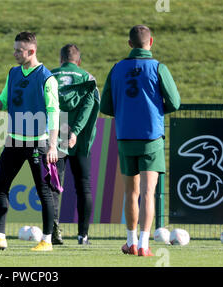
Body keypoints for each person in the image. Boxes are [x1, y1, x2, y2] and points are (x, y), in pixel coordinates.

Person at [0, 31, 60, 252]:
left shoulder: (46, 78)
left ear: (31, 51)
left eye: (18, 50)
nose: (14, 54)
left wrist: (52, 145)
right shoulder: (13, 73)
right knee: (1, 186)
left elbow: (54, 114)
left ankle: (47, 241)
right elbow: (2, 103)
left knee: (44, 192)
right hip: (14, 142)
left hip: (37, 144)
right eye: (14, 49)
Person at [100, 25, 180, 256]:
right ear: (151, 42)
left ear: (129, 44)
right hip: (151, 137)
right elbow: (174, 102)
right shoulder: (157, 67)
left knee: (130, 193)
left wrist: (127, 112)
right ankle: (144, 245)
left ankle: (130, 242)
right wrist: (153, 111)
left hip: (125, 136)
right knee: (148, 193)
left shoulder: (116, 68)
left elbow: (105, 105)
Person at [50, 44, 99, 245]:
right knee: (83, 186)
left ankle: (52, 232)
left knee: (53, 186)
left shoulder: (50, 76)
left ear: (61, 59)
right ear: (78, 61)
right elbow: (90, 105)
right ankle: (83, 235)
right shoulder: (87, 78)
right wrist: (76, 131)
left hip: (55, 138)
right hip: (79, 141)